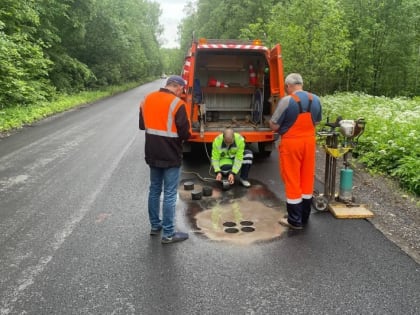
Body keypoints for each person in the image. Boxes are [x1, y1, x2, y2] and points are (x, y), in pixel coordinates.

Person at [139, 75, 191, 244]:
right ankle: (168, 234)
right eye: (181, 90)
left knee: (154, 189)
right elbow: (185, 134)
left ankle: (155, 226)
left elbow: (142, 125)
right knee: (169, 193)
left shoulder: (147, 99)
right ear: (177, 87)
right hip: (171, 154)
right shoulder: (177, 104)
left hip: (152, 152)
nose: (181, 93)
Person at [269, 73, 322, 229]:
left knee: (292, 179)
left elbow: (274, 125)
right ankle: (304, 217)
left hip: (292, 144)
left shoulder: (286, 101)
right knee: (306, 179)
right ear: (301, 84)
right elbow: (317, 121)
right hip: (309, 143)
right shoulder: (316, 99)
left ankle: (294, 220)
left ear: (288, 86)